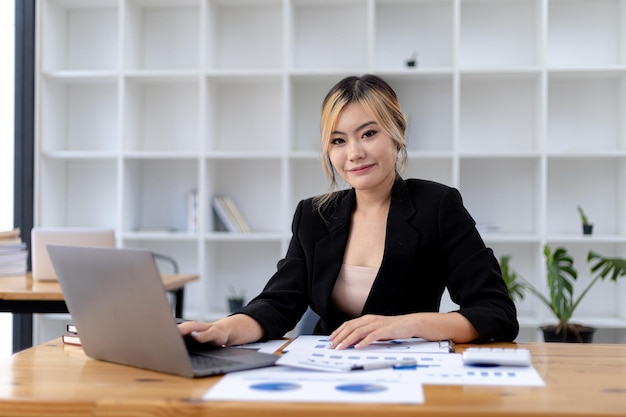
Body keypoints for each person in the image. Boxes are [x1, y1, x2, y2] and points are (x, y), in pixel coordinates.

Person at [179, 74, 519, 349]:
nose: (354, 153)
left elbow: (497, 313)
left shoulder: (437, 206)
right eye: (338, 141)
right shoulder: (313, 215)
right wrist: (220, 331)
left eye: (368, 134)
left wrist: (404, 325)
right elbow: (278, 304)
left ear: (397, 135)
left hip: (408, 373)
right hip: (328, 369)